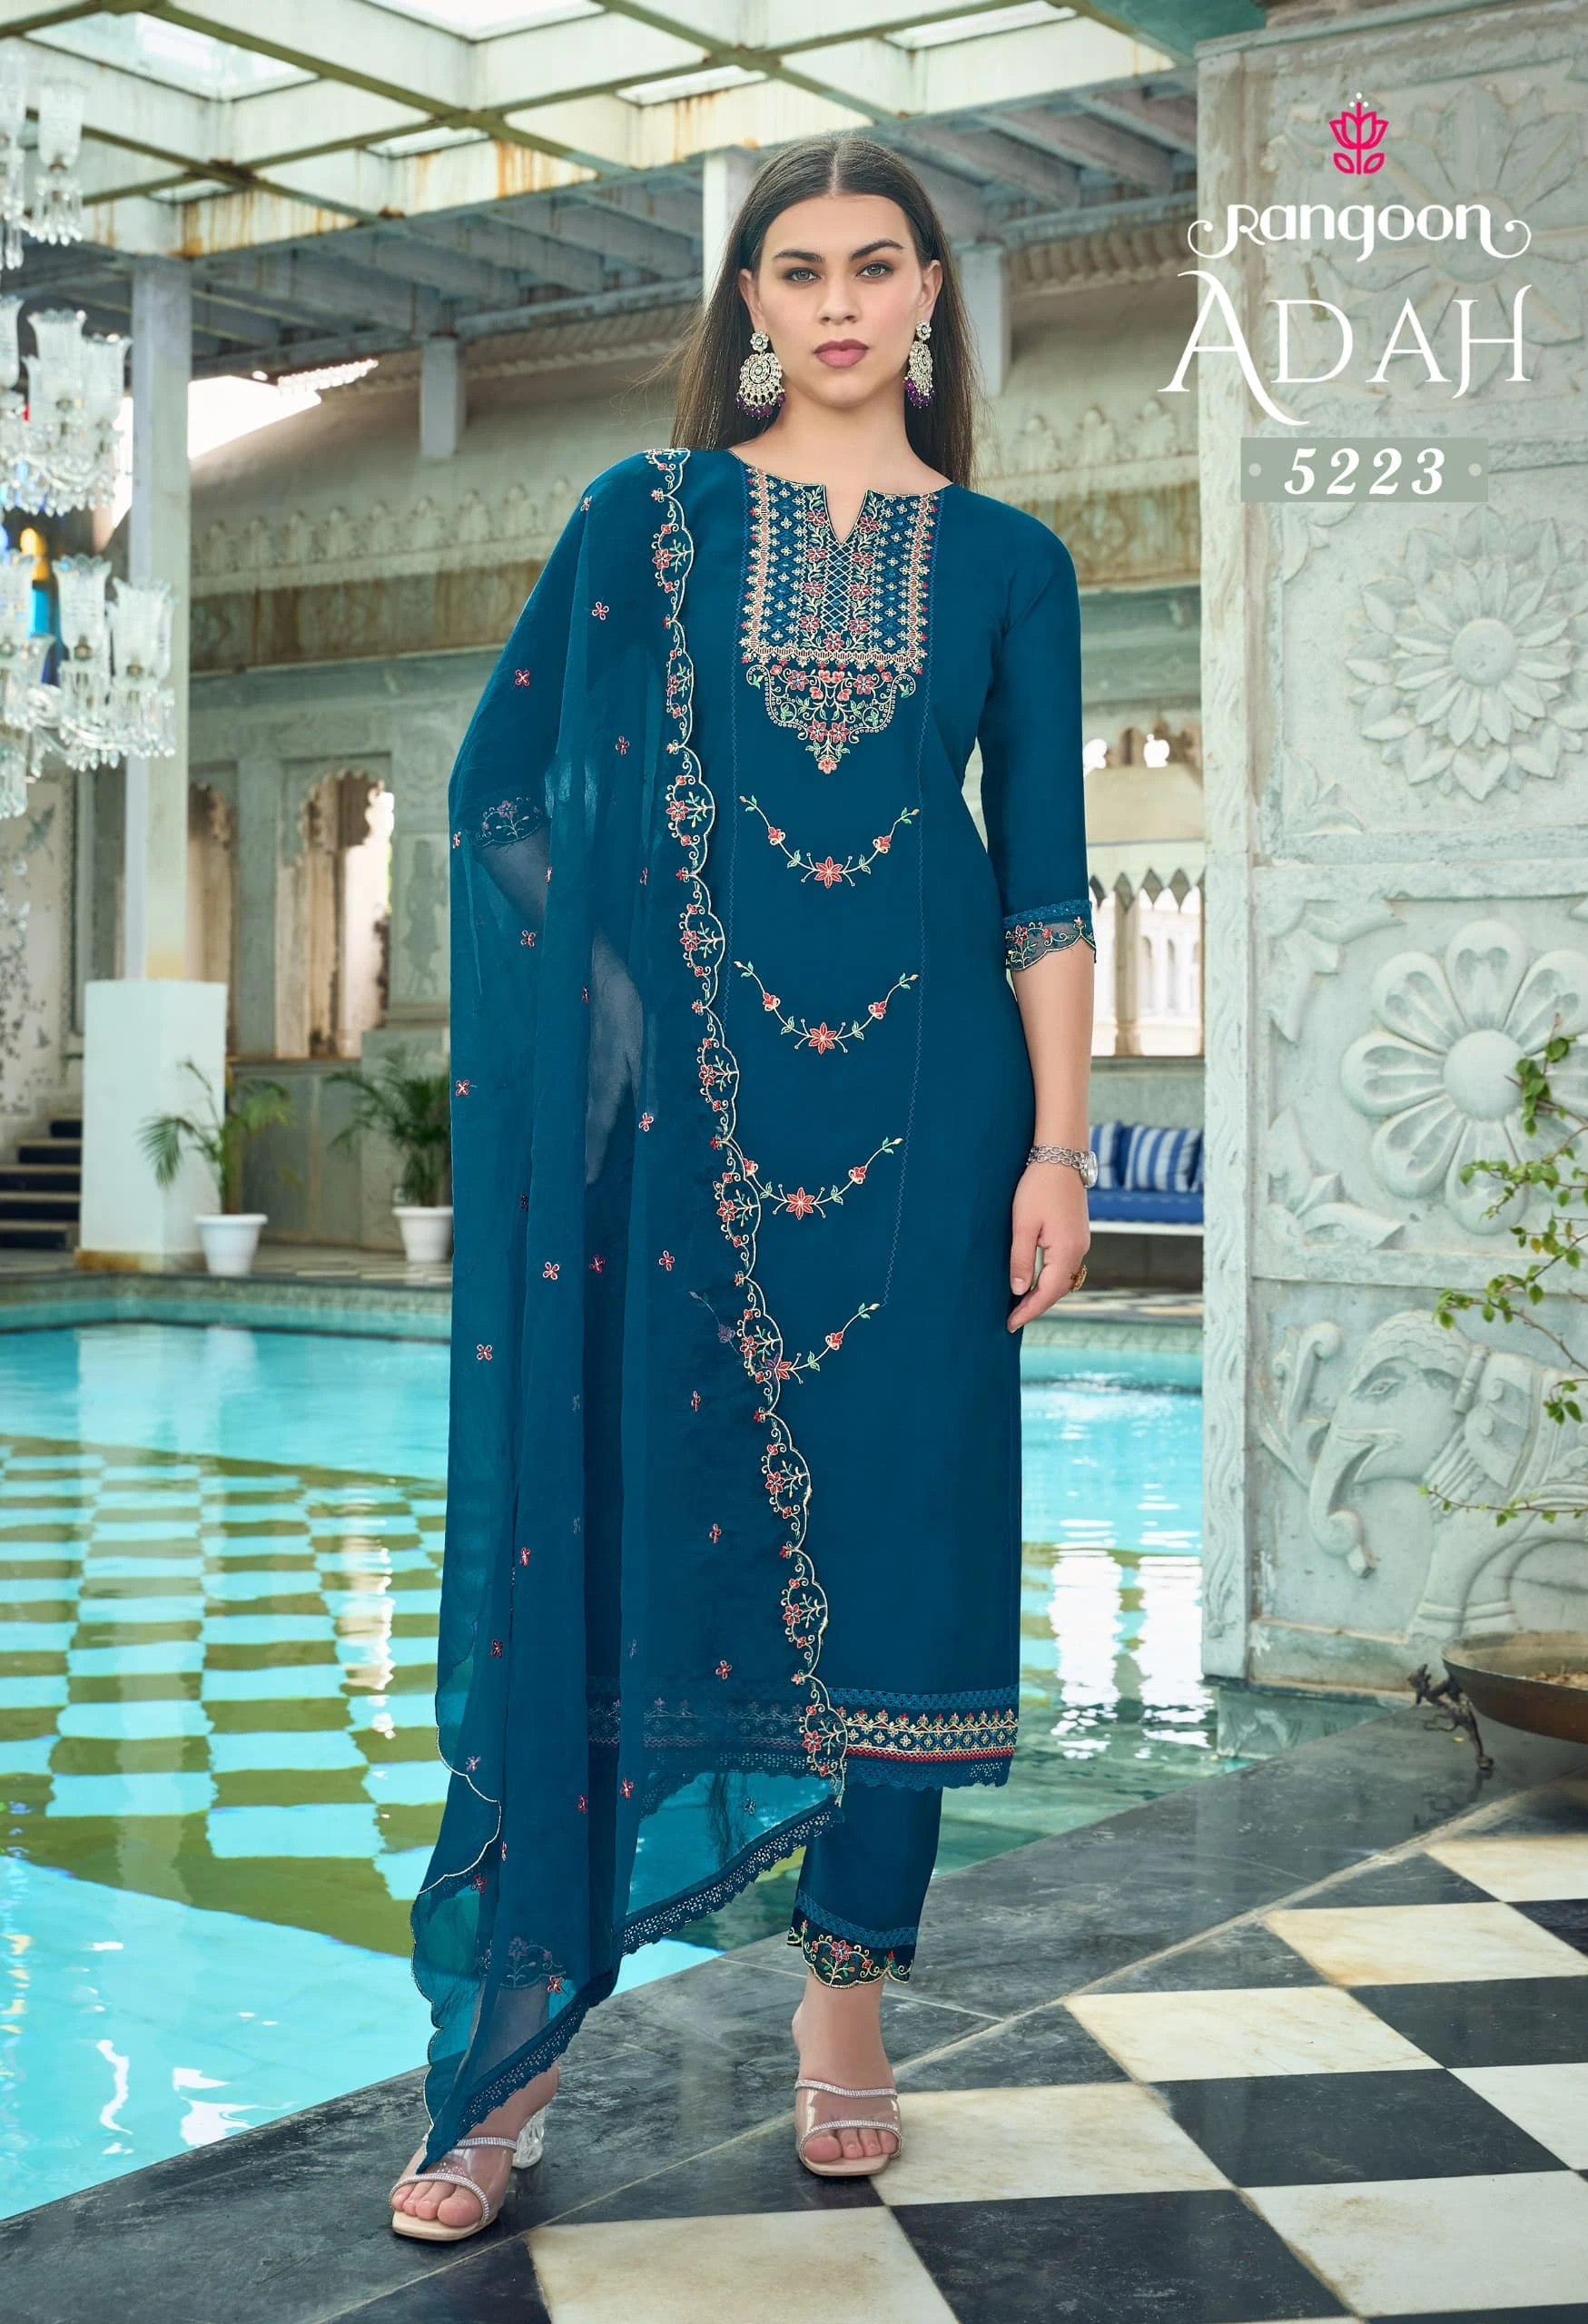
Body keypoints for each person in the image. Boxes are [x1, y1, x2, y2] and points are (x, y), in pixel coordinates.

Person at [390, 130, 1097, 2241]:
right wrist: (613, 1011)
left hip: (940, 1124)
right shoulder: (650, 520)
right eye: (800, 269)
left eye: (879, 264)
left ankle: (847, 2004)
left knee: (904, 1551)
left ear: (931, 297)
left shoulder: (1011, 564)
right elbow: (504, 792)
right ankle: (518, 2038)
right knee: (619, 1534)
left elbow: (1047, 893)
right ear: (753, 305)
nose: (841, 301)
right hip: (683, 1146)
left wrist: (1061, 1143)